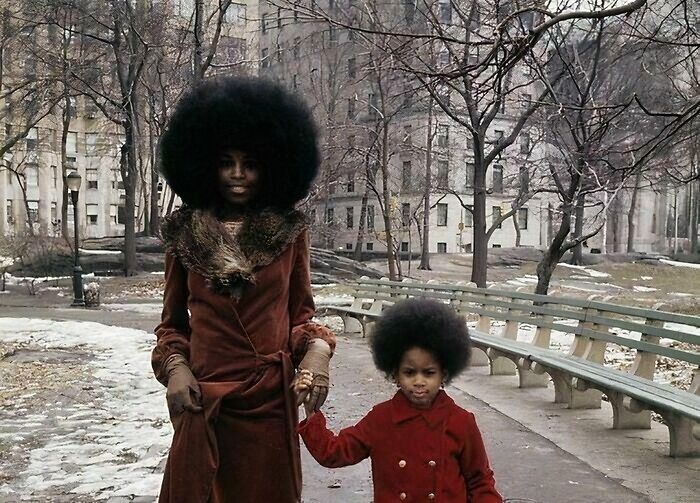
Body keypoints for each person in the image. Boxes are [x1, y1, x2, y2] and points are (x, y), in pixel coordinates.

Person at [152, 76, 335, 503]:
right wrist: (176, 369)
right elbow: (172, 326)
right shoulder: (184, 235)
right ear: (205, 165)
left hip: (268, 404)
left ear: (269, 167)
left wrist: (318, 354)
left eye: (249, 163)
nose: (237, 174)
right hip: (203, 401)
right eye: (226, 162)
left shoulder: (290, 233)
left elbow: (300, 318)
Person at [295, 298, 503, 503]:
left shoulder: (461, 422)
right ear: (395, 374)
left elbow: (480, 481)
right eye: (409, 372)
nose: (419, 381)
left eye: (429, 373)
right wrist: (311, 411)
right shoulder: (381, 419)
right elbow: (335, 452)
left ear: (444, 373)